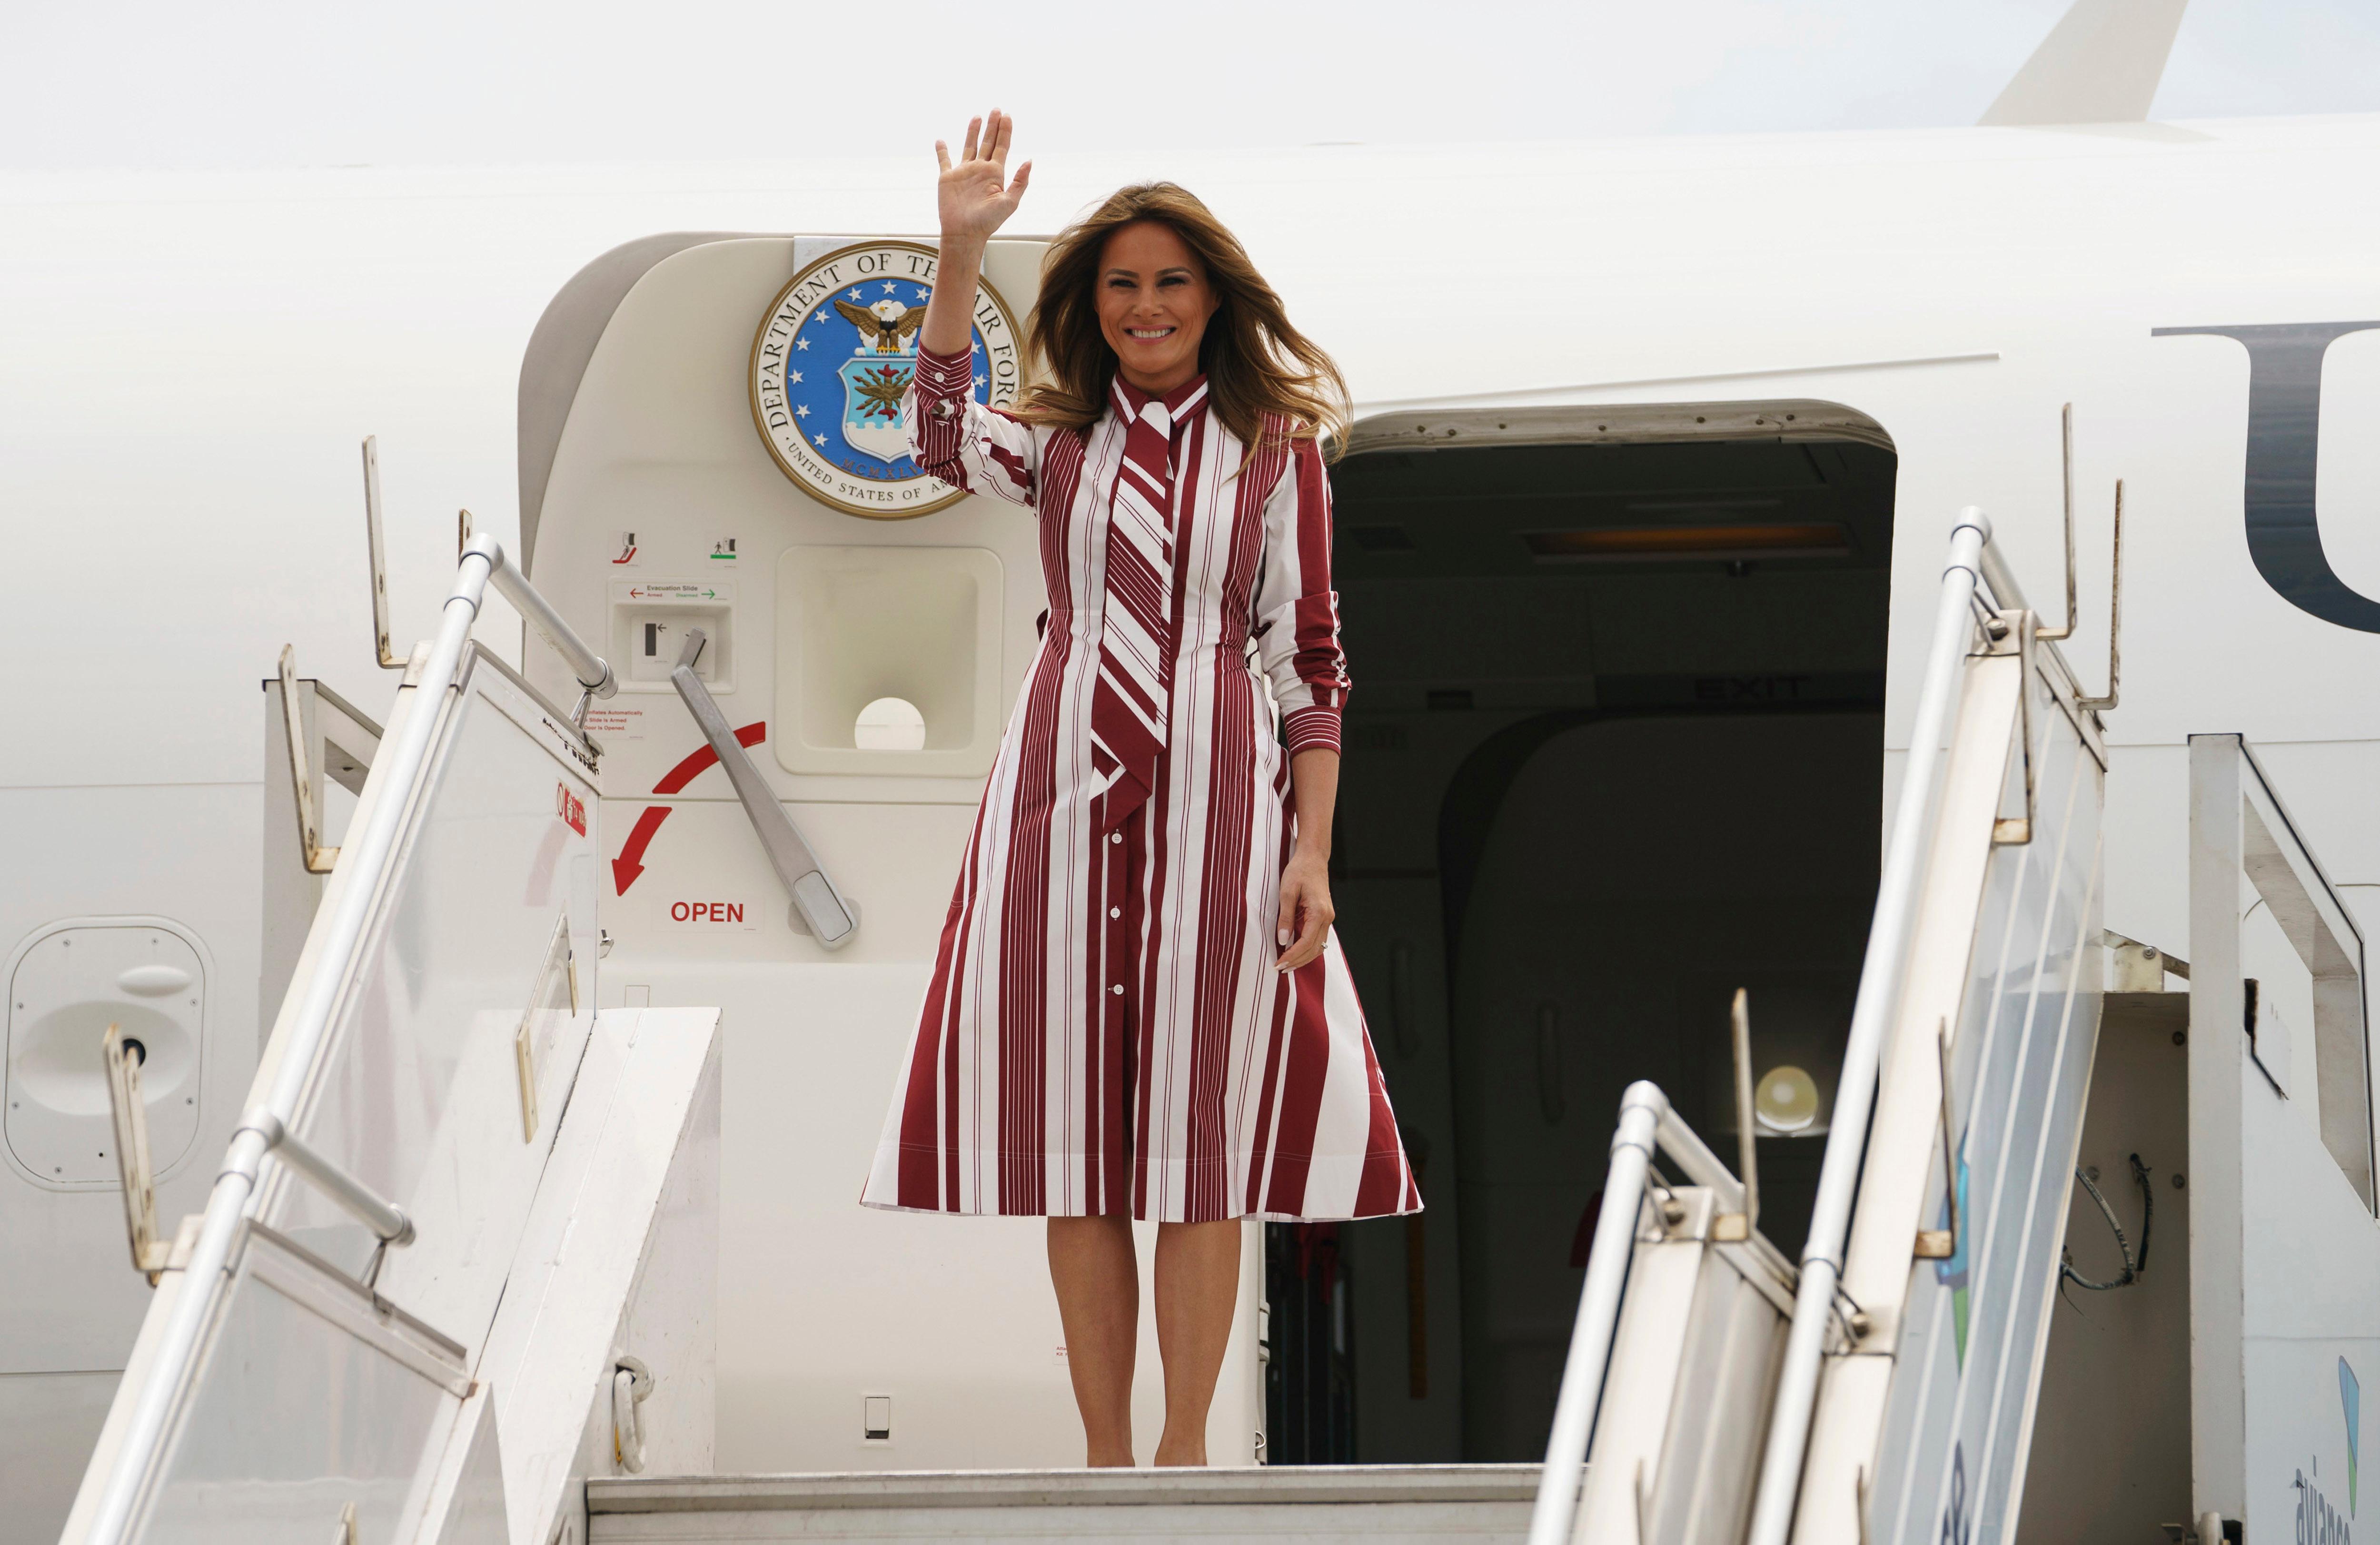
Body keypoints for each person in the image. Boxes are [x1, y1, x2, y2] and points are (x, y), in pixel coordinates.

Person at [861, 110, 1418, 1468]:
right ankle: (1105, 1455)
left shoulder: (1278, 447)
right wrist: (959, 250)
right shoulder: (1056, 445)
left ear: (1211, 298)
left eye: (1171, 281)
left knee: (1199, 1138)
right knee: (1079, 1142)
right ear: (1091, 307)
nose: (1147, 305)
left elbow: (1314, 658)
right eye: (1122, 284)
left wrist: (1314, 851)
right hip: (1060, 808)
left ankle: (1184, 1452)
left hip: (1224, 812)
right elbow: (932, 433)